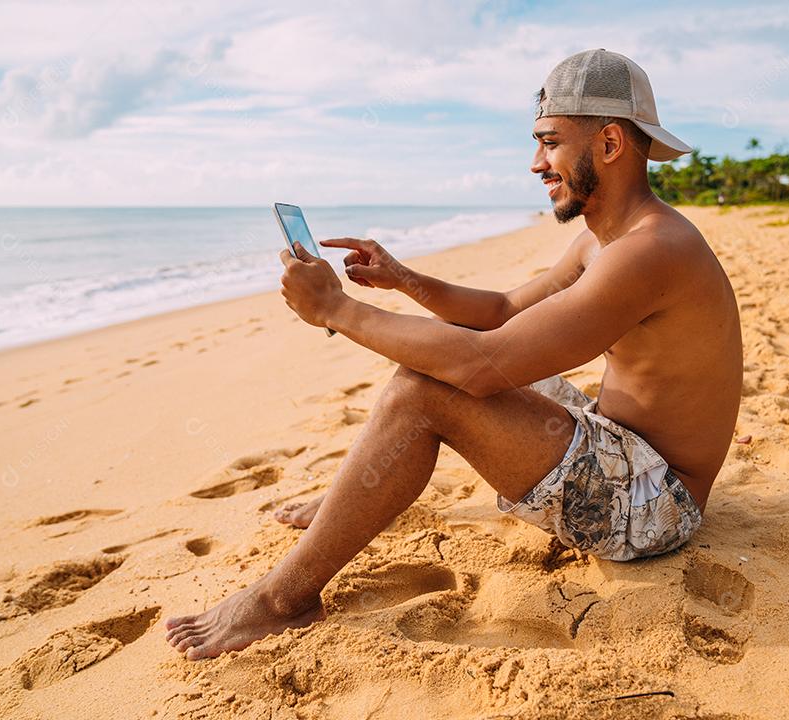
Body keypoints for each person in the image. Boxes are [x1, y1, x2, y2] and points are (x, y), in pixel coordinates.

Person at [165, 48, 743, 660]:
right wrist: (403, 278)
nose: (535, 163)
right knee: (427, 368)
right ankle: (345, 504)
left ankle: (282, 601)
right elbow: (501, 311)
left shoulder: (651, 250)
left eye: (549, 142)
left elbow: (478, 364)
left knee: (428, 389)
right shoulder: (602, 242)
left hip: (655, 505)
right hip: (622, 451)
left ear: (607, 144)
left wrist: (334, 309)